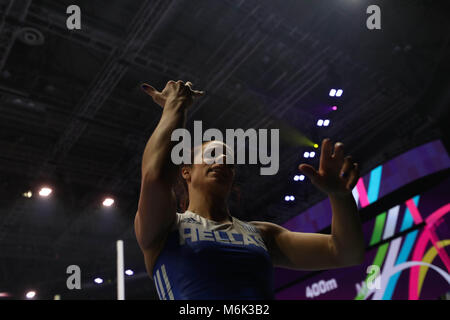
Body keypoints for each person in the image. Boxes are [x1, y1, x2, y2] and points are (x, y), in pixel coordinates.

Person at [134, 80, 365, 300]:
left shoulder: (262, 234)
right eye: (212, 154)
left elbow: (345, 252)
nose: (223, 158)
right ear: (186, 171)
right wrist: (176, 107)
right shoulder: (166, 226)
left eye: (230, 160)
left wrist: (341, 197)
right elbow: (155, 177)